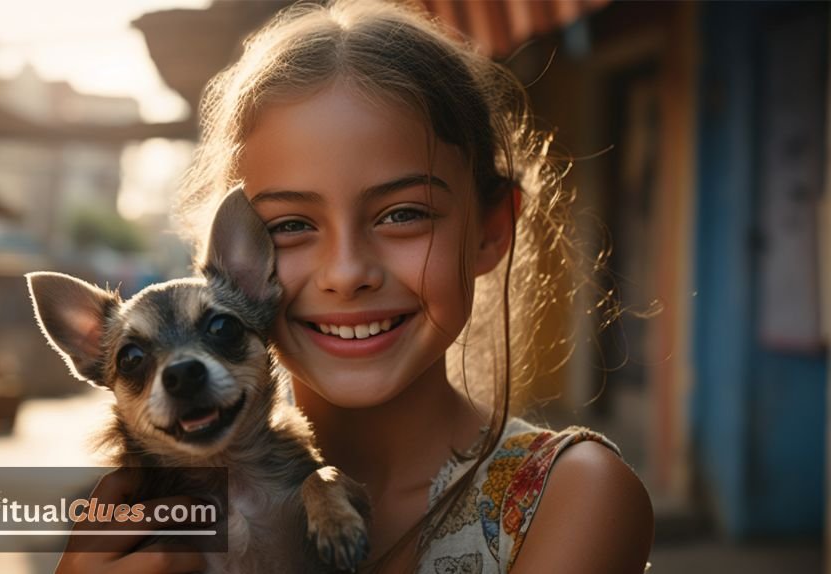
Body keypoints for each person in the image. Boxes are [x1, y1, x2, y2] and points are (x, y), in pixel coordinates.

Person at [56, 0, 654, 572]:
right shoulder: (136, 526)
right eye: (289, 226)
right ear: (234, 261)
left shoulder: (568, 498)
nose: (346, 272)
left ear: (490, 231)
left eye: (403, 214)